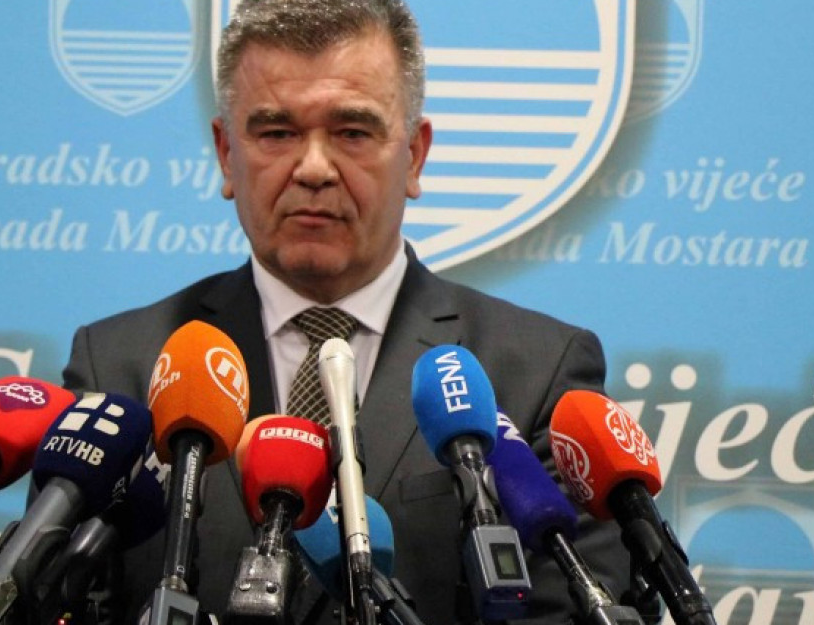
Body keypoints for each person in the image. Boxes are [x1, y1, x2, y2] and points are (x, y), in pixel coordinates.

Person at [61, 1, 632, 624]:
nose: (313, 168)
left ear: (414, 155)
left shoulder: (534, 372)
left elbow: (570, 609)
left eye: (353, 132)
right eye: (276, 133)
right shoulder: (121, 365)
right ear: (226, 154)